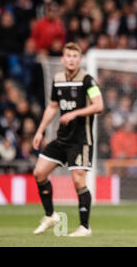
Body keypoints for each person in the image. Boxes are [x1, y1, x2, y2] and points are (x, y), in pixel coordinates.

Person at [32, 42, 104, 237]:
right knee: (39, 173)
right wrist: (40, 131)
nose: (71, 59)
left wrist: (74, 114)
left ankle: (85, 227)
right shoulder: (58, 80)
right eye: (68, 56)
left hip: (81, 140)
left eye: (75, 56)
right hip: (62, 139)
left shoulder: (87, 80)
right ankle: (50, 216)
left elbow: (98, 105)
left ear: (79, 60)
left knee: (78, 178)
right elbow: (53, 107)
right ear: (63, 59)